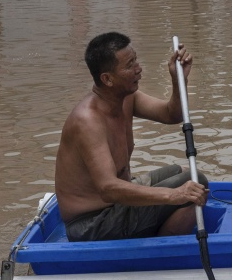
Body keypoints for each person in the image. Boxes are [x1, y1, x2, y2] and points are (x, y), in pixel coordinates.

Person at [55, 32, 209, 241]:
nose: (139, 68)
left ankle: (159, 237)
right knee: (195, 181)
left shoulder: (126, 98)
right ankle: (159, 256)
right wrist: (173, 195)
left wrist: (178, 79)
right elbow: (108, 189)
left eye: (136, 59)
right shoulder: (88, 121)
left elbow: (171, 114)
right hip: (92, 224)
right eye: (129, 65)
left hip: (117, 204)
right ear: (107, 79)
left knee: (181, 171)